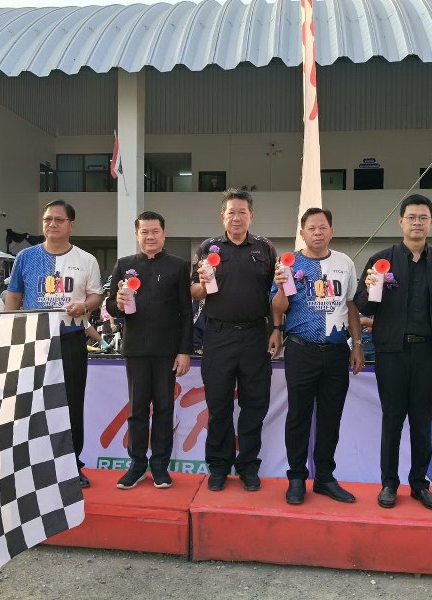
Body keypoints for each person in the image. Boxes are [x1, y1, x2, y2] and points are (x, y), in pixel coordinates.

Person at [354, 194, 432, 511]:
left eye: (423, 217)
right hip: (392, 353)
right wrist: (372, 287)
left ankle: (419, 484)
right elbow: (363, 306)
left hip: (428, 354)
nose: (417, 223)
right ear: (401, 221)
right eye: (411, 217)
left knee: (422, 421)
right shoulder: (381, 260)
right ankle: (389, 483)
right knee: (392, 420)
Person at [5, 199, 103, 488]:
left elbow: (96, 296)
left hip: (70, 338)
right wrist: (11, 332)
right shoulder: (26, 257)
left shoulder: (86, 259)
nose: (52, 224)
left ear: (71, 225)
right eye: (48, 219)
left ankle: (72, 463)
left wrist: (85, 306)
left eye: (59, 220)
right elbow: (13, 296)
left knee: (71, 401)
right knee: (33, 402)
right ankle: (34, 463)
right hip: (33, 339)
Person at [271, 208, 365, 505]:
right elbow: (279, 308)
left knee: (330, 417)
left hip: (336, 352)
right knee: (298, 416)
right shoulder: (290, 263)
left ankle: (324, 477)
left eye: (323, 227)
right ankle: (296, 477)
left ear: (332, 231)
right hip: (301, 350)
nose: (317, 233)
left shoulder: (344, 263)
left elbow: (351, 304)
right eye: (311, 228)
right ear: (302, 233)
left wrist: (357, 344)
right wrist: (281, 285)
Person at [191, 188, 279, 492]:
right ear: (222, 216)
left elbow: (276, 294)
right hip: (218, 336)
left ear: (251, 216)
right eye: (231, 212)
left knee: (255, 405)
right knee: (219, 406)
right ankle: (218, 467)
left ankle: (248, 467)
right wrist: (203, 284)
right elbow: (194, 291)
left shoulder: (265, 248)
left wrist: (276, 329)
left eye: (242, 212)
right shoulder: (208, 247)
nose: (237, 218)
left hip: (255, 336)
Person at [106, 211, 193, 490]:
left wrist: (184, 351)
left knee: (165, 409)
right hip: (136, 349)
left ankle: (159, 466)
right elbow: (110, 306)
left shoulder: (179, 266)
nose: (150, 236)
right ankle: (136, 465)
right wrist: (119, 304)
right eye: (144, 232)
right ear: (136, 235)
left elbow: (186, 311)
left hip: (167, 351)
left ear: (164, 234)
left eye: (155, 231)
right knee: (137, 409)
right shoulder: (125, 264)